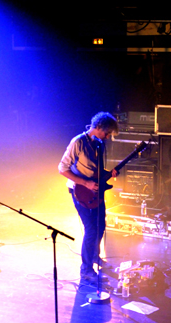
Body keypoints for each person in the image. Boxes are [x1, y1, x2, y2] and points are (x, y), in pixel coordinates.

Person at [58, 112, 119, 285]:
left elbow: (95, 170)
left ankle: (94, 257)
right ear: (98, 127)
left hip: (95, 192)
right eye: (106, 133)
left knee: (101, 226)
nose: (107, 137)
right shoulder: (78, 142)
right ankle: (85, 270)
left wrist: (108, 173)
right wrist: (86, 183)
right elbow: (62, 168)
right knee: (91, 229)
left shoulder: (99, 144)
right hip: (80, 192)